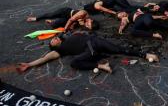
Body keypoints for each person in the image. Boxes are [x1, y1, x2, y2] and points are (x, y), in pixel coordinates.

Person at [17, 32, 159, 74]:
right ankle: (100, 65)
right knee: (73, 62)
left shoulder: (67, 36)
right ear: (53, 47)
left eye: (54, 38)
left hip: (95, 41)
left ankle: (146, 55)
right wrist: (29, 64)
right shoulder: (59, 50)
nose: (54, 39)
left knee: (119, 49)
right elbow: (44, 58)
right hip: (88, 51)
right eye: (52, 42)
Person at [27, 7, 99, 31]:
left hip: (68, 19)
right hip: (65, 12)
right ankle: (36, 18)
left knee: (54, 25)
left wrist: (72, 26)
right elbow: (71, 20)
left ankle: (52, 21)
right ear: (91, 21)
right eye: (88, 25)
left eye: (87, 26)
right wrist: (65, 29)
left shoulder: (83, 23)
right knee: (51, 15)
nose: (86, 25)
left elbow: (73, 23)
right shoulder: (83, 14)